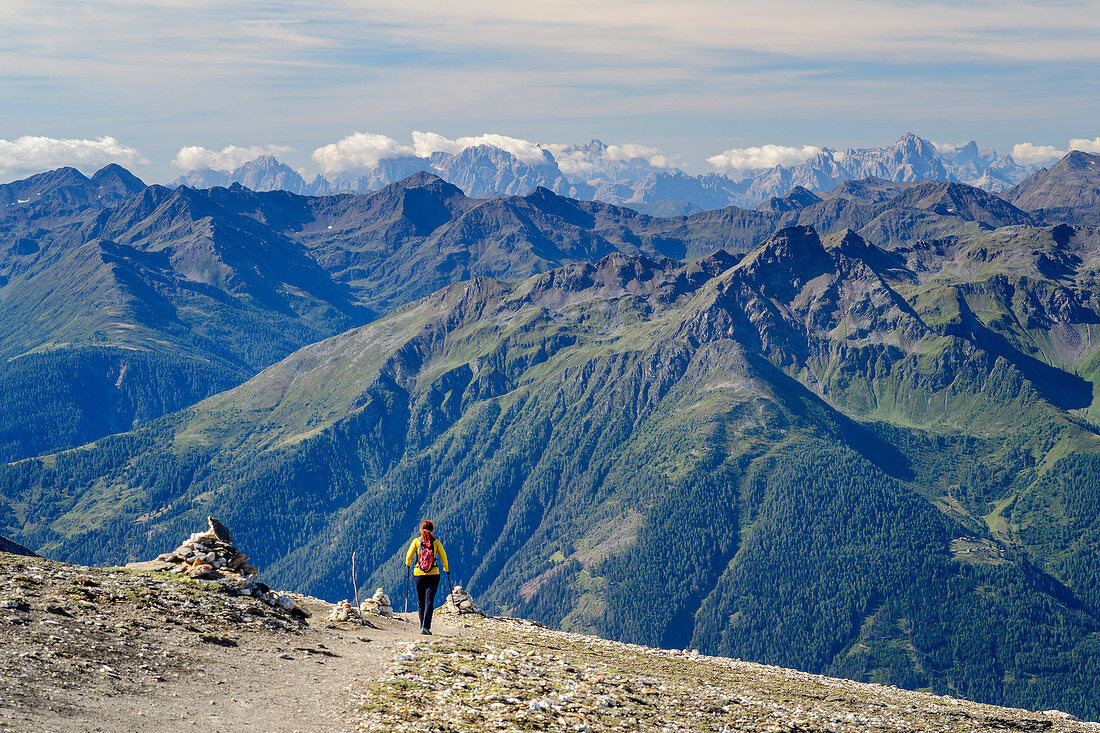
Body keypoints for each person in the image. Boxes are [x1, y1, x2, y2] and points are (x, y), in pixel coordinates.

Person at [405, 520, 449, 635]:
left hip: (418, 574)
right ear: (432, 530)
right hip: (434, 574)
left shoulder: (416, 541)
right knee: (430, 602)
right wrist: (446, 569)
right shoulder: (436, 542)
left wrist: (408, 564)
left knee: (421, 603)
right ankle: (426, 627)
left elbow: (408, 557)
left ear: (421, 529)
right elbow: (443, 556)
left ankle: (421, 626)